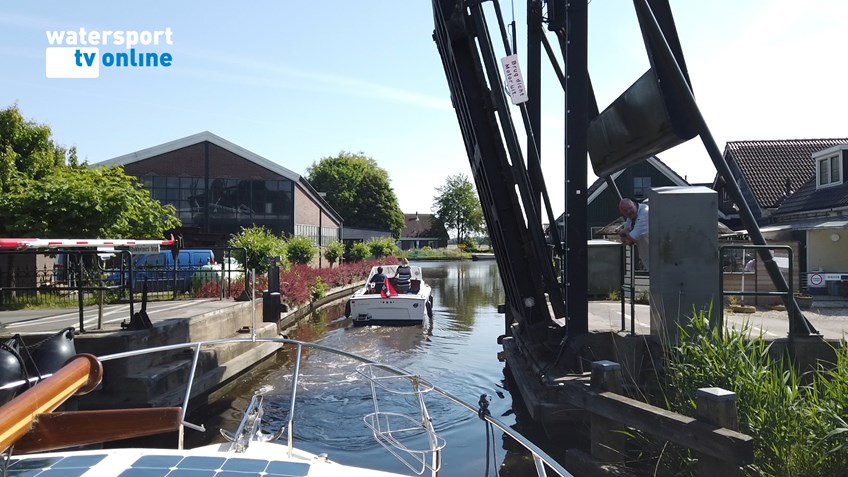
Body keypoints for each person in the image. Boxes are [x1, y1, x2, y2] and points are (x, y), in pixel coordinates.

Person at [618, 198, 650, 271]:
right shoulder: (631, 217)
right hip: (647, 255)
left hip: (657, 255)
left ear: (634, 205)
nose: (629, 211)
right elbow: (627, 239)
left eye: (630, 208)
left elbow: (633, 236)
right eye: (625, 211)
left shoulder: (645, 212)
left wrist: (625, 233)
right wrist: (626, 237)